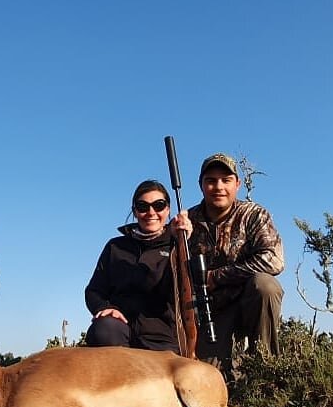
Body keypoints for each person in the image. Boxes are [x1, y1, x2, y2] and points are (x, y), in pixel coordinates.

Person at [187, 153, 284, 377]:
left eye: (226, 180)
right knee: (208, 376)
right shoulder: (187, 221)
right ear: (201, 185)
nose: (218, 187)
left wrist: (215, 277)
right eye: (211, 180)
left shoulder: (253, 214)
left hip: (249, 303)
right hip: (211, 311)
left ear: (237, 184)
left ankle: (266, 368)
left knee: (265, 285)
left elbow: (274, 260)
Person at [84, 179, 192, 352]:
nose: (151, 212)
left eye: (159, 205)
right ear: (134, 211)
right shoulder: (115, 247)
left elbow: (186, 288)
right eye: (143, 206)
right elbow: (94, 290)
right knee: (104, 330)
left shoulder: (177, 246)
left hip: (161, 336)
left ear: (168, 209)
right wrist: (105, 308)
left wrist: (184, 242)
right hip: (119, 331)